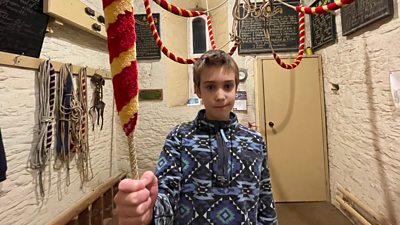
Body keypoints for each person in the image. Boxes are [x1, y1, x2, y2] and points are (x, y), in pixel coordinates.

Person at [114, 49, 278, 225]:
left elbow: (265, 198)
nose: (220, 96)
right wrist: (150, 210)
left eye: (228, 86)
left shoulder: (255, 141)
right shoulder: (179, 137)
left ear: (236, 87)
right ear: (198, 90)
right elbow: (167, 194)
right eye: (210, 87)